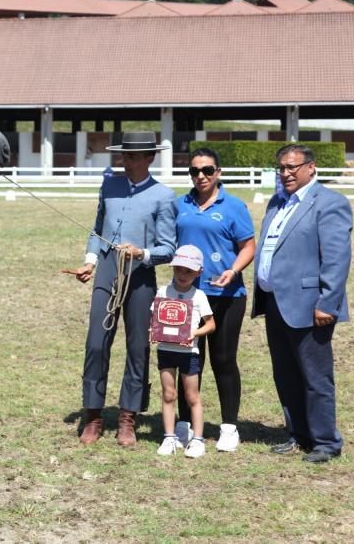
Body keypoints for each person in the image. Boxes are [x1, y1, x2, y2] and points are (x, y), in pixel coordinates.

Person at [74, 131, 176, 447]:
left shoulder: (163, 195)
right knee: (95, 342)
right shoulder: (109, 186)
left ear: (149, 158)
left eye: (133, 157)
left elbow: (168, 247)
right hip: (107, 270)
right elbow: (97, 228)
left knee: (137, 348)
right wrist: (90, 260)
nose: (127, 161)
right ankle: (93, 415)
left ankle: (127, 417)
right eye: (124, 156)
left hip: (140, 275)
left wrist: (143, 254)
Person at [252, 144, 351, 463]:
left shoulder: (330, 203)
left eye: (293, 167)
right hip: (276, 302)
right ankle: (298, 433)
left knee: (315, 377)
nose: (286, 173)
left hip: (311, 306)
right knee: (286, 373)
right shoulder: (276, 202)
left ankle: (325, 441)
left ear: (312, 167)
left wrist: (327, 303)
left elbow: (337, 259)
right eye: (281, 167)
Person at [173, 148, 256, 452]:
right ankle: (183, 424)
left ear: (218, 172)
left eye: (207, 170)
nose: (201, 176)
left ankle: (229, 427)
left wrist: (233, 271)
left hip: (227, 295)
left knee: (223, 360)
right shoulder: (179, 204)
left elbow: (248, 246)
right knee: (188, 360)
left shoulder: (233, 206)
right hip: (187, 295)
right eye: (195, 171)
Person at [153, 244, 216, 458]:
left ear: (199, 273)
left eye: (188, 271)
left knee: (192, 396)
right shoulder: (162, 292)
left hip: (189, 353)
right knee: (168, 394)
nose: (182, 274)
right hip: (165, 350)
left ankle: (197, 439)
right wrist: (151, 330)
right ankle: (169, 437)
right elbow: (155, 317)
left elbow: (211, 324)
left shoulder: (199, 296)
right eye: (178, 269)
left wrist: (195, 333)